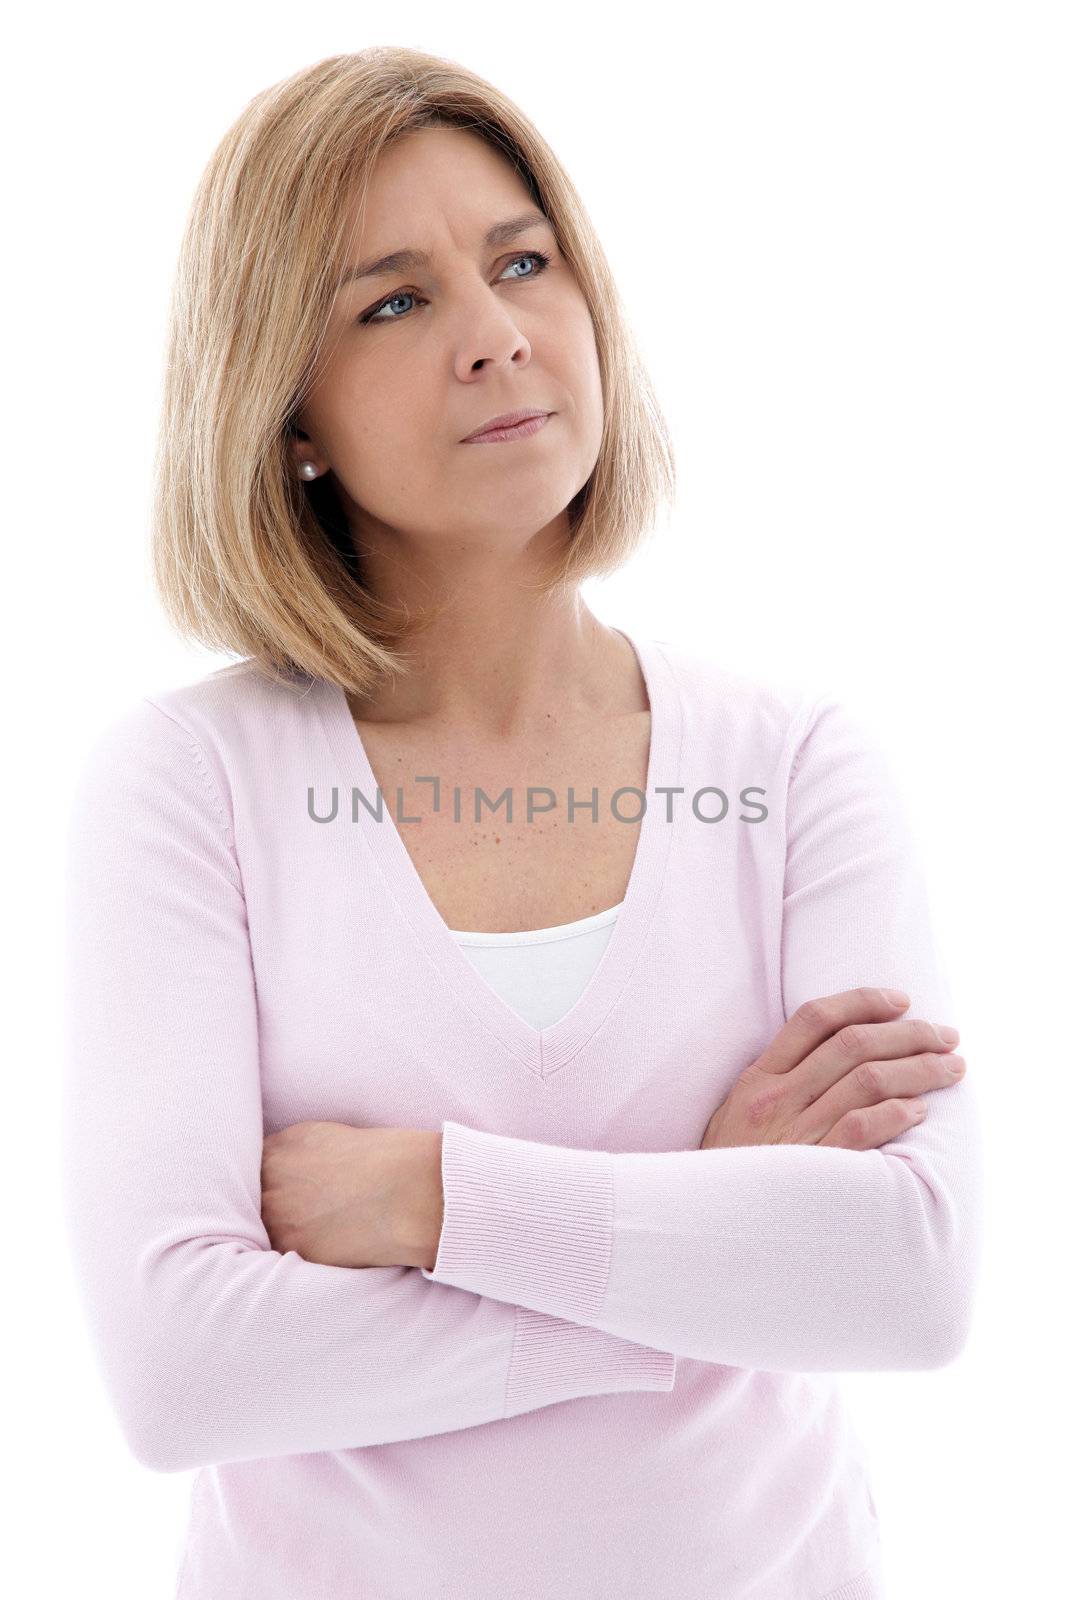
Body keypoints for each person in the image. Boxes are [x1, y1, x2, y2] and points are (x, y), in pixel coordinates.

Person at [61, 47, 983, 1600]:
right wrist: (706, 1229)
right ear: (288, 415)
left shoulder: (797, 764)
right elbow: (184, 1378)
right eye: (394, 302)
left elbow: (906, 1282)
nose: (495, 337)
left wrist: (437, 1200)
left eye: (522, 261)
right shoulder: (190, 785)